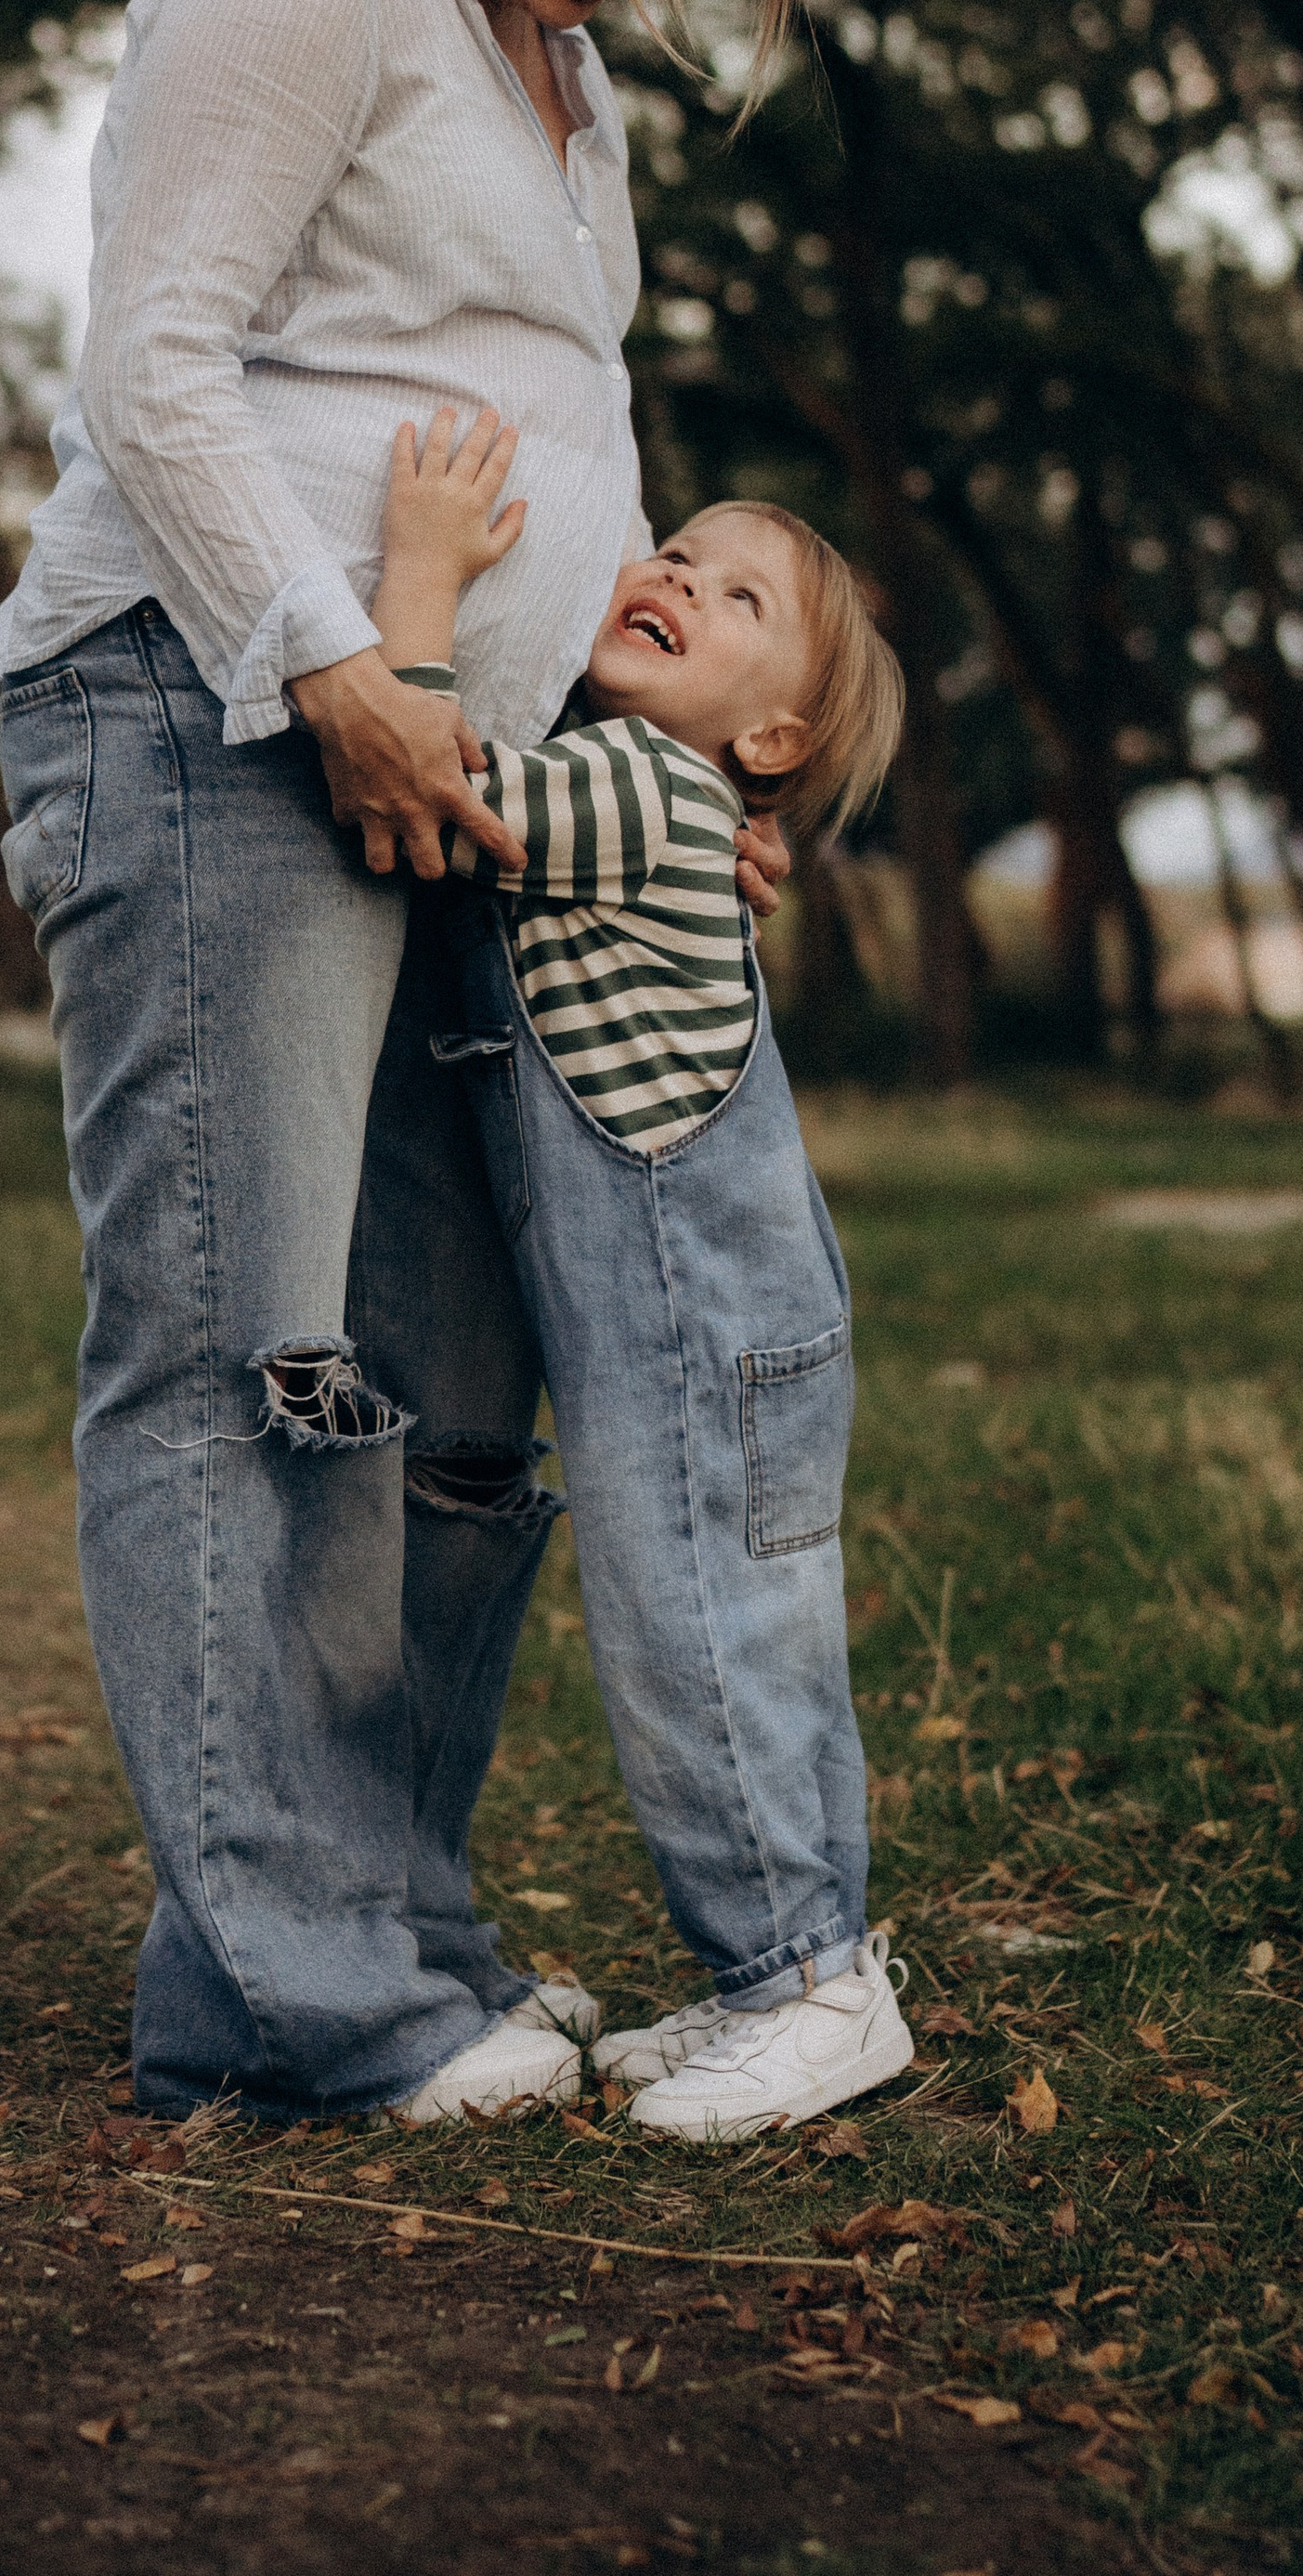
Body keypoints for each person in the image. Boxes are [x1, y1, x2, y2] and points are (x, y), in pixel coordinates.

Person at [0, 0, 893, 2124]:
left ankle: (356, 1943)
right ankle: (317, 1996)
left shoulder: (557, 81)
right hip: (215, 715)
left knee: (449, 1394)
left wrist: (665, 788)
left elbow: (538, 436)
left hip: (447, 798)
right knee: (244, 1355)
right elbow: (152, 359)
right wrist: (336, 666)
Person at [371, 408, 913, 2139]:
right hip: (711, 1327)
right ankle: (784, 1976)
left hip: (699, 1327)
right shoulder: (657, 789)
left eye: (738, 595)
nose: (676, 573)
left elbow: (424, 780)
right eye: (675, 550)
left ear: (771, 739)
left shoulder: (641, 791)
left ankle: (811, 1985)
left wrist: (419, 584)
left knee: (708, 1644)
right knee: (731, 1636)